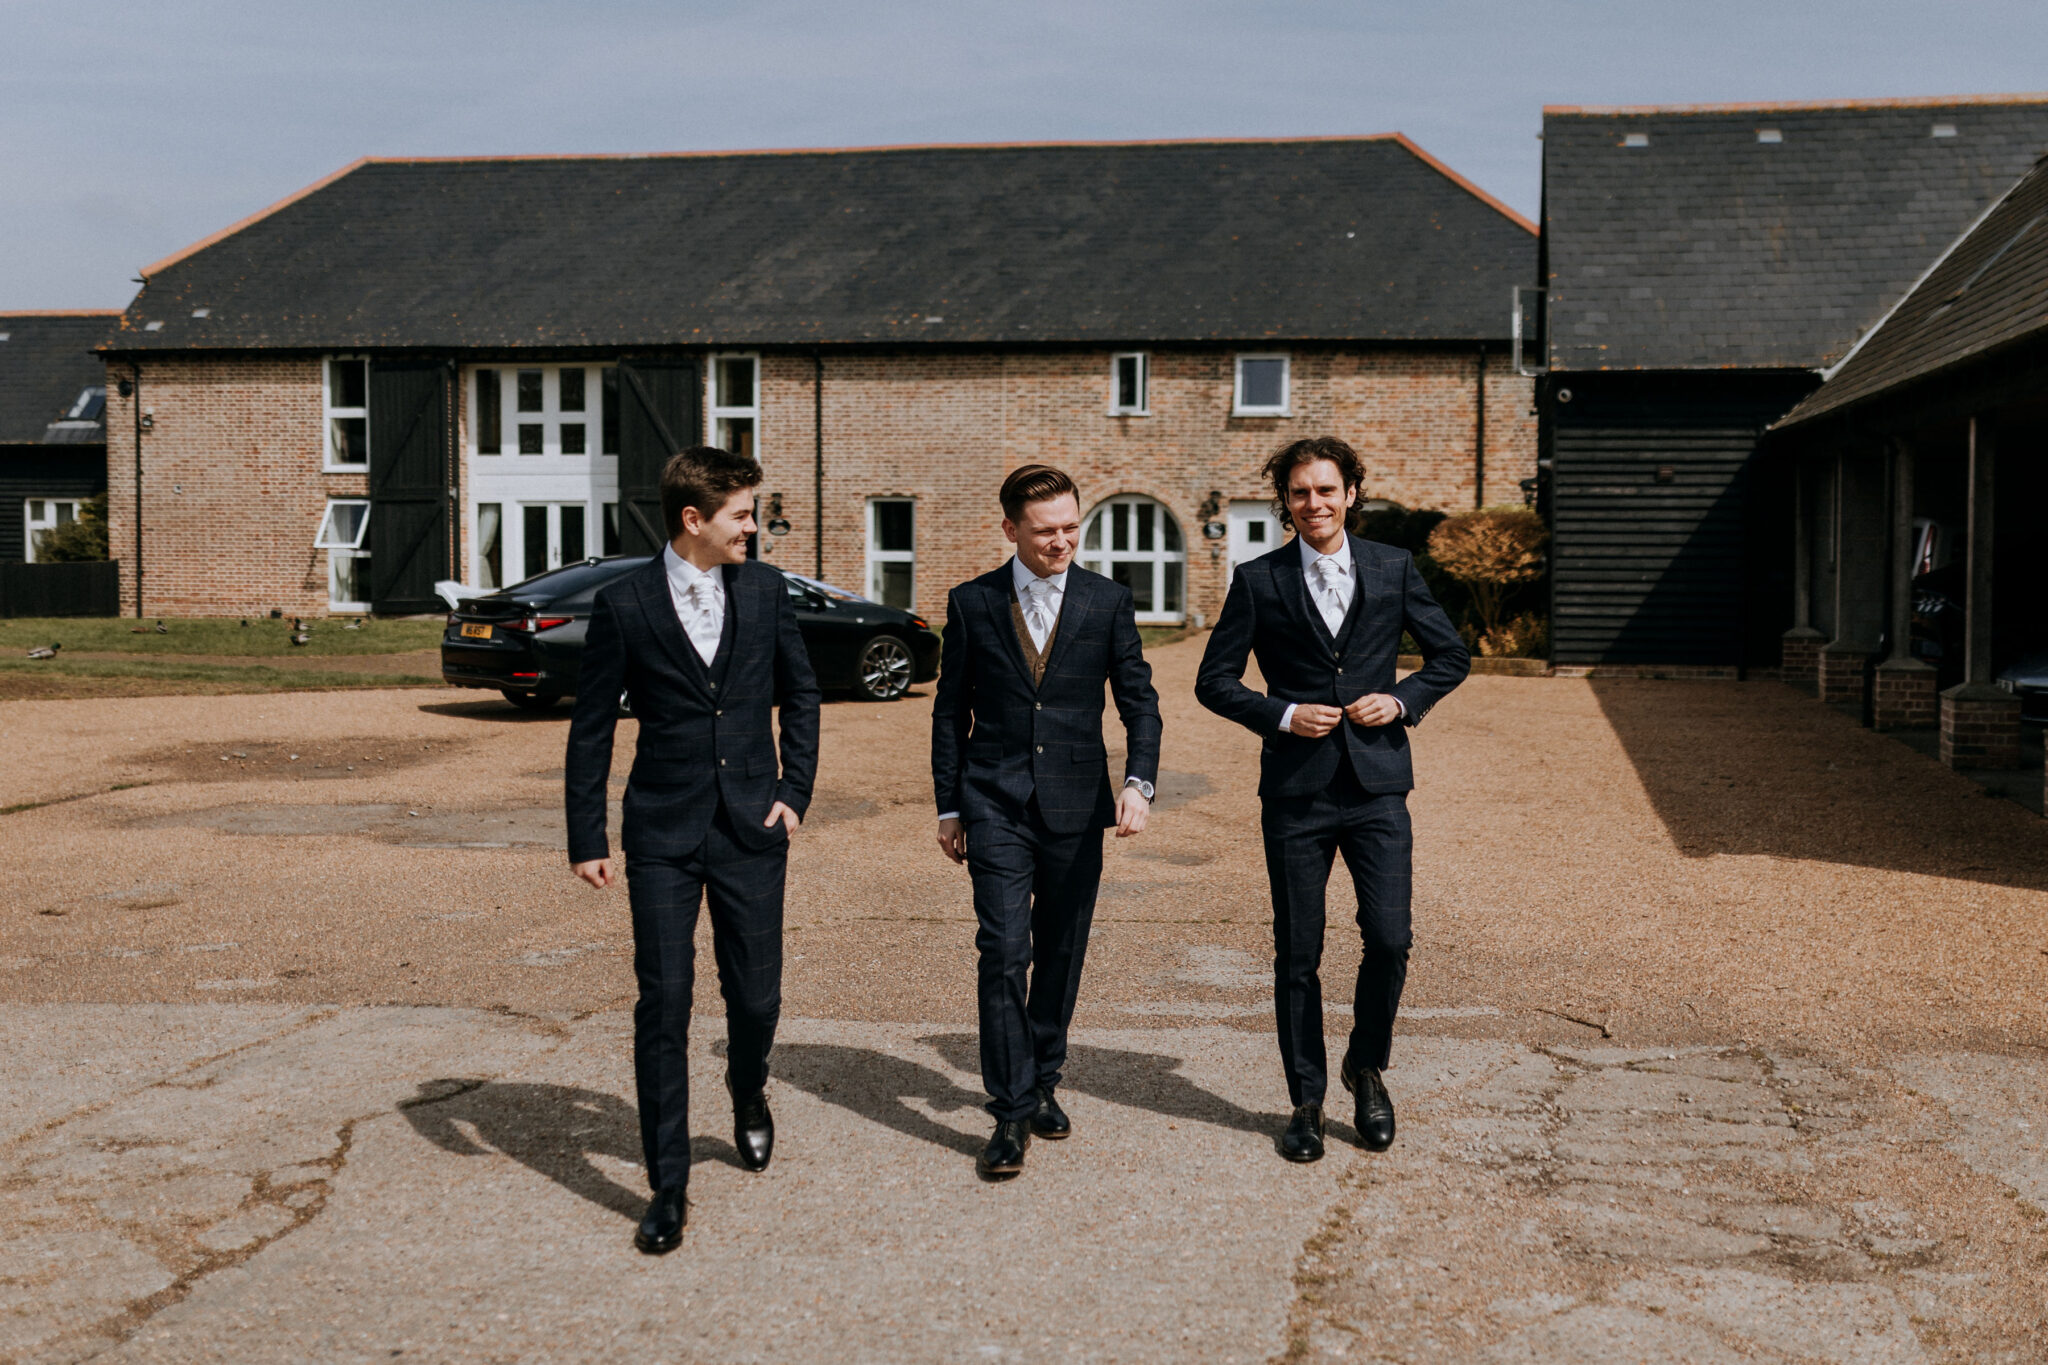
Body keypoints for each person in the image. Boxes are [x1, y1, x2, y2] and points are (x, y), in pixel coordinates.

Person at [565, 445, 820, 1253]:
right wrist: (586, 834)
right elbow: (592, 725)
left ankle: (748, 1087)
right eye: (742, 515)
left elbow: (801, 692)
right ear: (693, 518)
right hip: (662, 833)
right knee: (664, 1002)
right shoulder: (626, 602)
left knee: (755, 997)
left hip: (753, 827)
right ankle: (667, 1183)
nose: (754, 527)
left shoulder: (766, 589)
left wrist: (794, 790)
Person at [1195, 436, 1469, 1163]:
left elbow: (1451, 656)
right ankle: (1306, 1100)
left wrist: (1402, 700)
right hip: (1296, 792)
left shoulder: (1393, 566)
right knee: (1298, 950)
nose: (1313, 503)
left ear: (1350, 493)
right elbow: (1213, 681)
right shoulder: (1258, 580)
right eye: (1299, 492)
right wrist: (1283, 714)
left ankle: (1366, 1067)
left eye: (1325, 489)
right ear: (1284, 502)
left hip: (1378, 786)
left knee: (1390, 937)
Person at [931, 464, 1162, 1179]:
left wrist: (1139, 783)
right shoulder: (972, 602)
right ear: (1010, 530)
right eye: (1044, 531)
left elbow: (1140, 701)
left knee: (1061, 948)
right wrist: (949, 805)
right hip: (993, 801)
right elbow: (950, 711)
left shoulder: (1107, 600)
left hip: (1076, 803)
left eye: (1070, 527)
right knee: (1003, 950)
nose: (1061, 541)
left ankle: (1043, 1080)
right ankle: (1009, 1110)